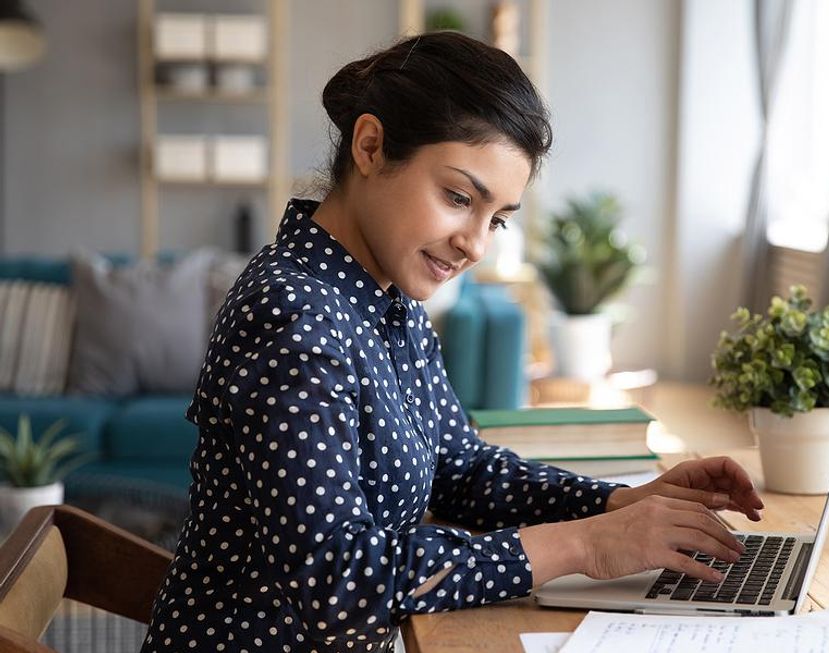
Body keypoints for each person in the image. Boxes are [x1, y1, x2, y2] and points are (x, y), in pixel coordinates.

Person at [141, 31, 764, 653]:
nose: (476, 243)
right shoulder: (292, 318)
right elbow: (338, 584)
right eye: (459, 197)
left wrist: (622, 504)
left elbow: (462, 472)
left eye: (495, 218)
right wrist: (587, 545)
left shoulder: (390, 302)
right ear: (370, 146)